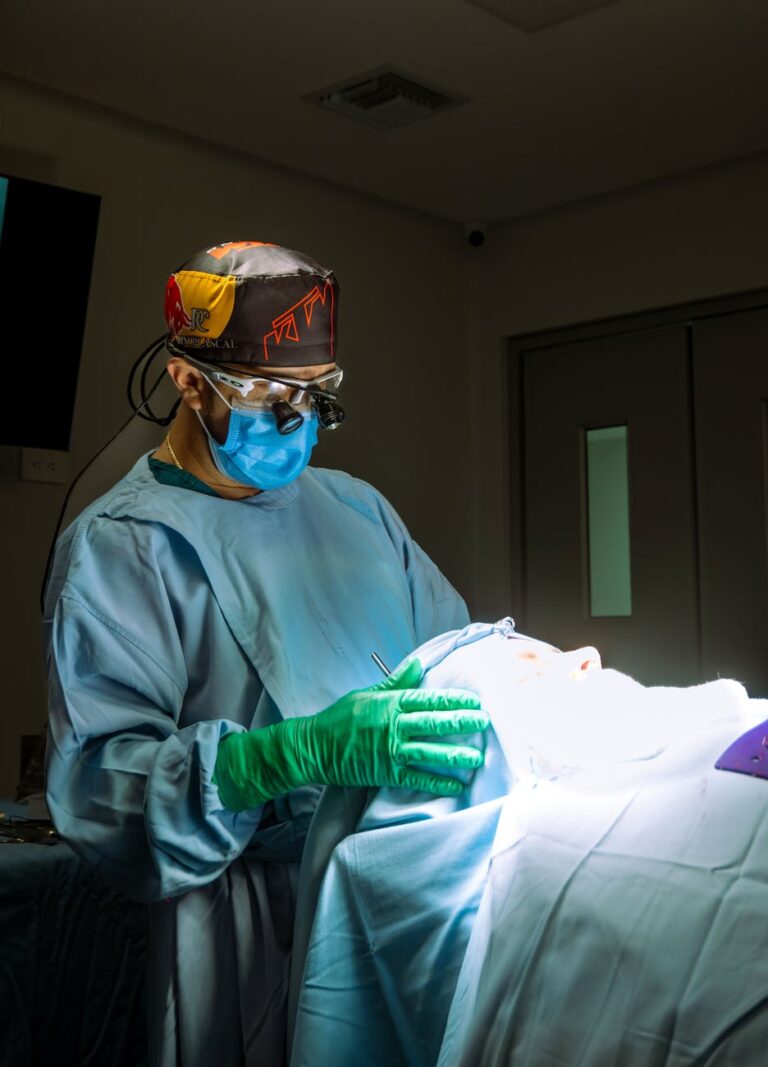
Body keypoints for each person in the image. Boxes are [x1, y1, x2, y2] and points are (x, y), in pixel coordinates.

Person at [43, 241, 488, 1067]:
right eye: (269, 397)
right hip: (233, 929)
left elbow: (454, 655)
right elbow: (98, 789)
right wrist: (285, 756)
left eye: (317, 397)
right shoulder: (122, 546)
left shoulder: (360, 511)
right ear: (186, 379)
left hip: (395, 895)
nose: (299, 422)